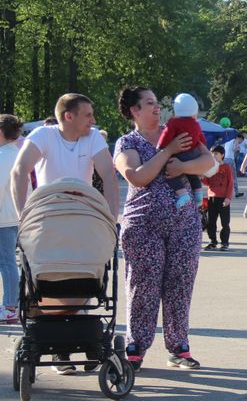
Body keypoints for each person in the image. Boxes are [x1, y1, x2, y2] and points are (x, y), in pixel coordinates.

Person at [11, 94, 120, 374]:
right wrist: (23, 216)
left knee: (82, 273)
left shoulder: (92, 138)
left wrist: (111, 218)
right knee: (50, 277)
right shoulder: (44, 136)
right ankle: (58, 345)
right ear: (68, 116)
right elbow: (20, 171)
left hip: (82, 216)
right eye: (88, 115)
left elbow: (108, 175)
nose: (93, 120)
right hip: (48, 218)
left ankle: (82, 339)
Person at [114, 86, 214, 371]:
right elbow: (137, 177)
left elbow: (208, 163)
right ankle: (136, 347)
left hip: (185, 224)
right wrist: (168, 151)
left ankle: (179, 347)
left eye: (157, 103)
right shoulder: (127, 143)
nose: (157, 108)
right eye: (150, 103)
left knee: (180, 285)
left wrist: (183, 167)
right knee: (143, 287)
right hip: (143, 226)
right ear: (135, 110)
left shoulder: (178, 131)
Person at [158, 93, 206, 208]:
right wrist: (201, 146)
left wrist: (161, 146)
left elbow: (166, 135)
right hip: (194, 153)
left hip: (180, 153)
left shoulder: (173, 122)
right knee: (192, 173)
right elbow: (202, 139)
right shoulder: (196, 124)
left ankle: (182, 194)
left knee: (169, 172)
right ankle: (198, 192)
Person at [0, 114, 23, 323]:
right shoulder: (18, 153)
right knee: (10, 262)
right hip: (14, 216)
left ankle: (10, 306)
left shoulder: (3, 156)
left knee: (7, 263)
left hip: (4, 218)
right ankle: (12, 304)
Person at [201, 145, 234, 251]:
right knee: (211, 222)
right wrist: (202, 177)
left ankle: (224, 243)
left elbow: (230, 183)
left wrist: (228, 198)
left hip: (223, 198)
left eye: (216, 153)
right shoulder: (210, 167)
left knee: (225, 222)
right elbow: (207, 182)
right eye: (212, 153)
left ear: (222, 155)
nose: (213, 155)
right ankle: (212, 241)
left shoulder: (226, 167)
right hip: (212, 197)